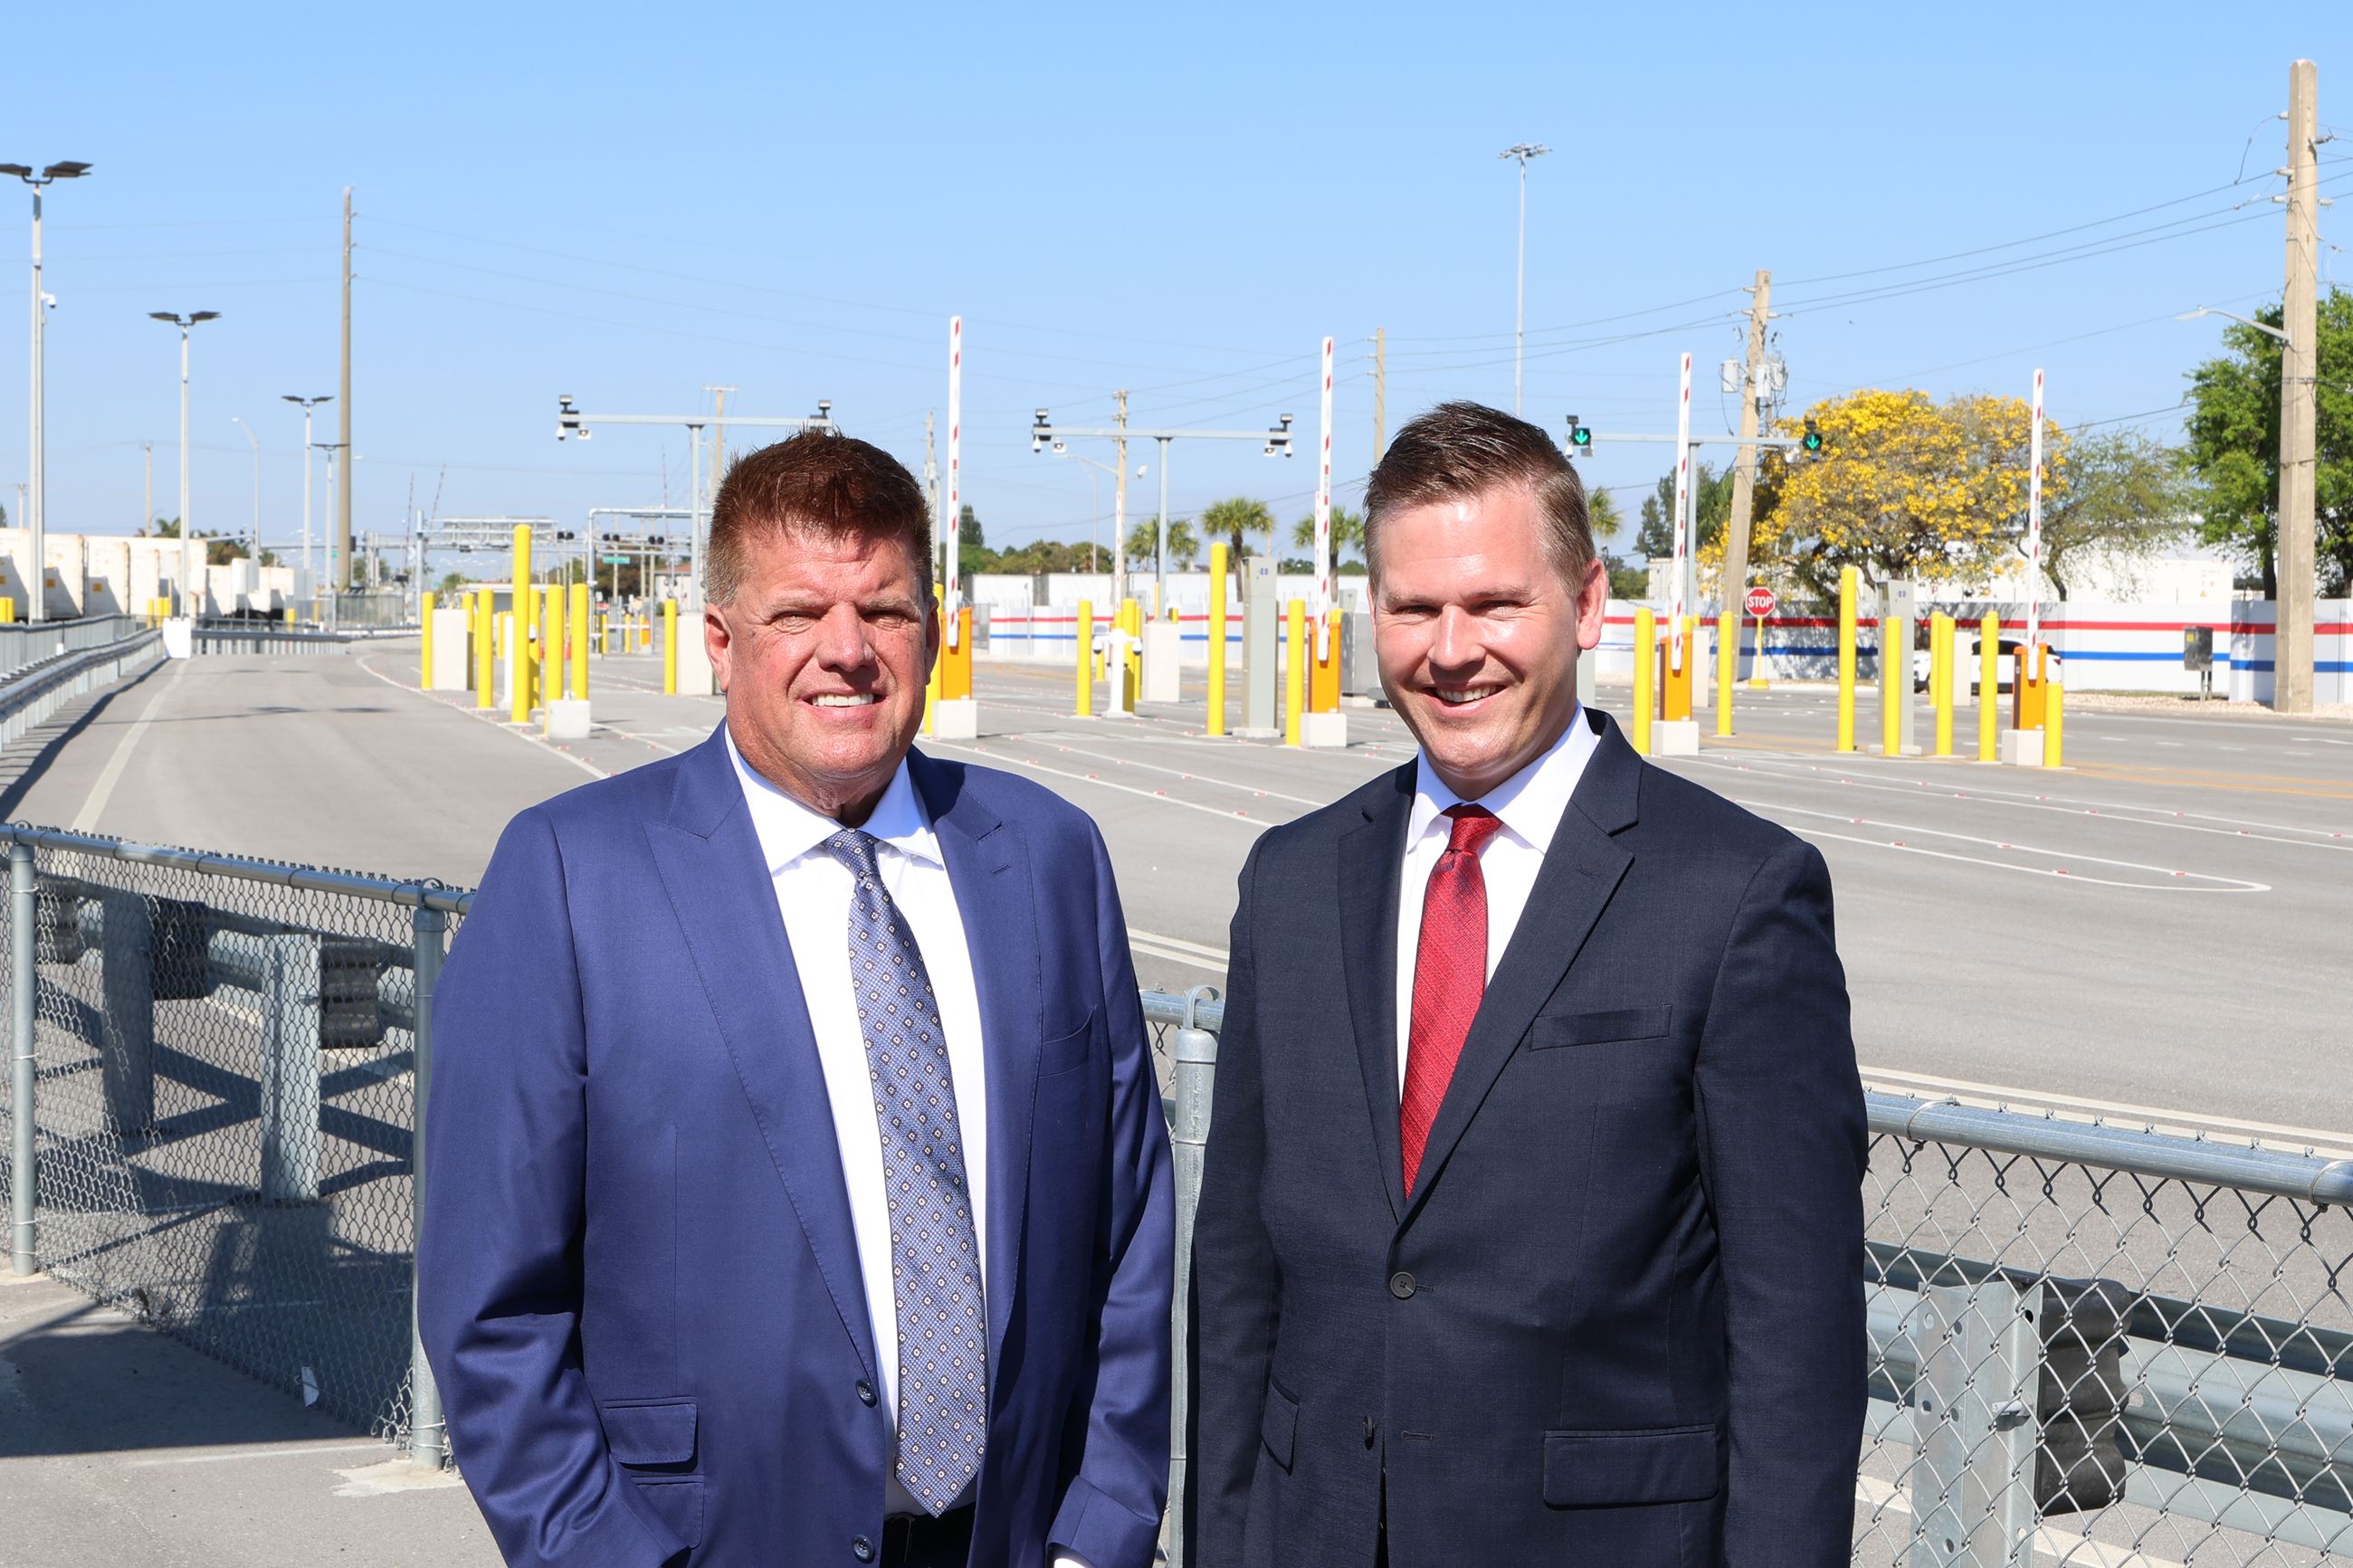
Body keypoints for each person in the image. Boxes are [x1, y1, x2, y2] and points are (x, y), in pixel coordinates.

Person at [421, 432, 1173, 1568]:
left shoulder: (1049, 857)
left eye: (885, 610)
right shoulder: (571, 875)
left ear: (933, 629)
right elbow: (492, 1307)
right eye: (798, 613)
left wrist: (1100, 1530)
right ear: (720, 640)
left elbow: (1128, 1234)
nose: (848, 650)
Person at [1187, 401, 1865, 1567]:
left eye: (1495, 602)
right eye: (1413, 608)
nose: (1452, 650)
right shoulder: (1291, 880)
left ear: (1587, 602)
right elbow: (1239, 1277)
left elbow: (1794, 1332)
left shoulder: (1735, 892)